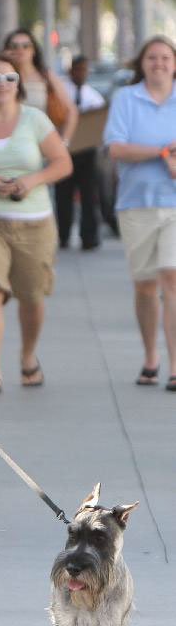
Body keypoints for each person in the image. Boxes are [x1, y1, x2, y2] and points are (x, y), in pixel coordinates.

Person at [0, 53, 71, 392]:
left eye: (10, 79)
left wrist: (31, 181)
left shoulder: (35, 120)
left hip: (34, 222)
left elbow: (62, 163)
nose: (3, 85)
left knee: (32, 297)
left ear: (19, 85)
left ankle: (28, 356)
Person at [104, 35, 176, 392]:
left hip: (175, 205)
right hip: (137, 205)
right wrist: (162, 153)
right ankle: (151, 357)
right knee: (146, 286)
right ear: (142, 64)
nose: (159, 63)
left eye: (165, 57)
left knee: (172, 278)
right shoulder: (126, 99)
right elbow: (115, 148)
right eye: (153, 57)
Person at [56, 55, 106, 250]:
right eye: (78, 70)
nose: (81, 74)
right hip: (64, 150)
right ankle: (64, 235)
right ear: (71, 71)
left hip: (87, 152)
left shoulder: (94, 97)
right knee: (63, 196)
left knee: (89, 195)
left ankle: (89, 237)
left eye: (85, 70)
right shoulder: (62, 93)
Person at [3, 27, 77, 146]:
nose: (20, 50)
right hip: (10, 144)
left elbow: (71, 111)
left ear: (34, 50)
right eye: (14, 46)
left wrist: (64, 143)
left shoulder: (45, 76)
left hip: (41, 145)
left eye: (26, 46)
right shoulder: (3, 78)